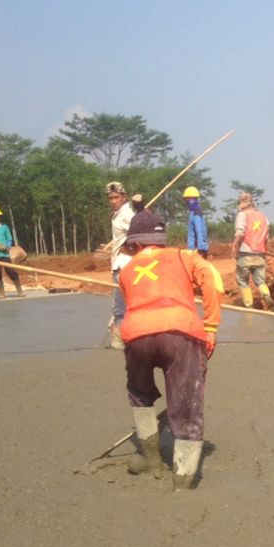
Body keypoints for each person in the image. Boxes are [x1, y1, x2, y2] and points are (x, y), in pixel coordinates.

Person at [117, 210, 224, 490]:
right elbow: (213, 280)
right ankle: (183, 478)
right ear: (161, 240)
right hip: (180, 330)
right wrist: (210, 326)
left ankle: (151, 458)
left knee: (140, 394)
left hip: (136, 334)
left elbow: (129, 306)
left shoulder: (126, 271)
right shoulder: (184, 256)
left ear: (135, 244)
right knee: (186, 401)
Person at [106, 181, 135, 350]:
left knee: (120, 306)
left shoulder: (127, 215)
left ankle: (119, 340)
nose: (113, 201)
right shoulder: (118, 215)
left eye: (116, 197)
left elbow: (138, 233)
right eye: (110, 198)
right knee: (122, 304)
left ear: (124, 197)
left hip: (124, 265)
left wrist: (128, 247)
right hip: (119, 263)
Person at [231, 192, 272, 309]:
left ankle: (249, 305)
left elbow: (240, 232)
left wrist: (234, 246)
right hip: (260, 254)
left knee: (243, 280)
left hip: (246, 253)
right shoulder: (263, 217)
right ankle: (266, 294)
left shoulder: (242, 215)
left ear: (243, 202)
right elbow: (267, 236)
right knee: (260, 281)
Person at [183, 186, 210, 259]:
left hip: (197, 251)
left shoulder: (196, 213)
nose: (186, 201)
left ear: (191, 199)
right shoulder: (193, 212)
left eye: (187, 199)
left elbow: (200, 231)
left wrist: (200, 249)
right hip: (194, 250)